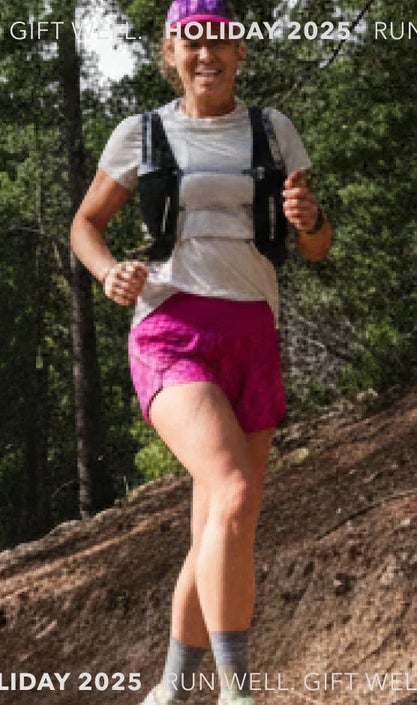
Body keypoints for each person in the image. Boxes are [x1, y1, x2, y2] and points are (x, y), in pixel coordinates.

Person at [66, 0, 331, 701]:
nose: (206, 55)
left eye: (219, 41)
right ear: (170, 53)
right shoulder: (142, 133)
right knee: (233, 488)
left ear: (241, 52)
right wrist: (106, 271)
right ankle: (236, 690)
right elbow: (86, 224)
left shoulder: (274, 132)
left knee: (224, 520)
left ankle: (171, 689)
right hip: (170, 328)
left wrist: (312, 220)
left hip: (252, 331)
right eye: (191, 42)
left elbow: (315, 244)